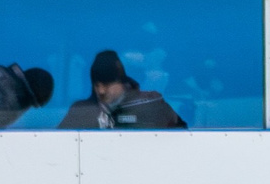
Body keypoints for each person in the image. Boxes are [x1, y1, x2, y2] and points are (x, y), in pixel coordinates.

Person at [57, 50, 188, 129]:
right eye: (97, 85)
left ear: (122, 83)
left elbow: (182, 135)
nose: (101, 91)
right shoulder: (81, 110)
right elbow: (60, 143)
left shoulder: (151, 104)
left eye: (107, 84)